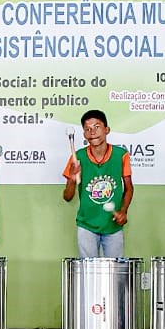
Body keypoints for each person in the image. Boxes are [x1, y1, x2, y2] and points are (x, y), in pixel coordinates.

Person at [63, 109, 133, 258]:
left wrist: (124, 210)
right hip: (86, 225)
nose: (92, 132)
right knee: (89, 273)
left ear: (107, 130)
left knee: (115, 272)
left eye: (97, 127)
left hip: (113, 226)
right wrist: (73, 179)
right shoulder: (78, 157)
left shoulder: (121, 155)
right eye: (88, 129)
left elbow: (129, 188)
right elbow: (67, 196)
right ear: (84, 135)